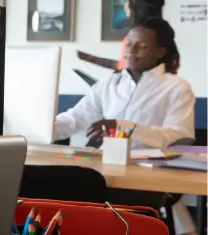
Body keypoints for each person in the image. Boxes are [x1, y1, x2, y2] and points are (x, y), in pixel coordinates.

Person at [57, 18, 198, 235]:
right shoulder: (109, 85)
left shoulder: (176, 87)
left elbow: (180, 135)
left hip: (149, 177)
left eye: (142, 46)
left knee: (100, 202)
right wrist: (40, 126)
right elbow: (76, 119)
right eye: (129, 44)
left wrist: (127, 127)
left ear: (161, 51)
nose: (131, 51)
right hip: (107, 170)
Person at [78, 0, 180, 74]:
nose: (126, 5)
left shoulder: (146, 34)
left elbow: (128, 68)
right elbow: (124, 65)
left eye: (128, 2)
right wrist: (92, 59)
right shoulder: (161, 31)